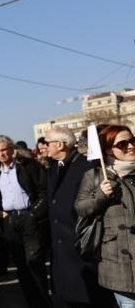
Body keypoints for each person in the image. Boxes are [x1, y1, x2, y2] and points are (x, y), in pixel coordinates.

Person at [45, 126, 113, 308]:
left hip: (82, 246)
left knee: (89, 297)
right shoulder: (52, 167)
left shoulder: (86, 166)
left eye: (47, 142)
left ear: (60, 145)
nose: (44, 147)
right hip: (60, 248)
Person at [75, 125, 135, 308]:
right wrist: (100, 194)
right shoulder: (95, 175)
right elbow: (81, 208)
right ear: (108, 148)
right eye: (123, 144)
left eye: (133, 141)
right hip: (119, 261)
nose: (131, 147)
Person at [0, 135, 49, 308]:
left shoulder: (27, 166)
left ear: (11, 149)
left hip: (29, 217)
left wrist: (34, 213)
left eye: (3, 150)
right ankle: (31, 302)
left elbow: (43, 191)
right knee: (21, 267)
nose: (1, 154)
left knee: (34, 263)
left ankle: (44, 303)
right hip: (10, 221)